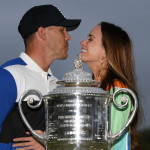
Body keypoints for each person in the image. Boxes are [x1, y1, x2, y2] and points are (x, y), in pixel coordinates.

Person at [0, 4, 81, 150]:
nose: (68, 36)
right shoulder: (9, 76)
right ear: (42, 33)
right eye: (62, 30)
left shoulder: (58, 85)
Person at [80, 22, 141, 150]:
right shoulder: (90, 88)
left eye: (90, 39)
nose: (82, 42)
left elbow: (109, 141)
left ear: (106, 52)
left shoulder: (119, 91)